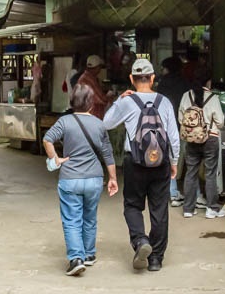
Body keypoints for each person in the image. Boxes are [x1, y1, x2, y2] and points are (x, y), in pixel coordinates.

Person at [103, 59, 180, 273]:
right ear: (153, 78)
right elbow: (174, 137)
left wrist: (119, 99)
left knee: (133, 205)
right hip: (161, 162)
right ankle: (155, 258)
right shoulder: (164, 102)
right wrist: (174, 162)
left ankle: (140, 240)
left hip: (134, 162)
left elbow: (106, 123)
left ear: (131, 79)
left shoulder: (127, 102)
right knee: (159, 209)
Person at [43, 84, 119, 276]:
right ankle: (89, 254)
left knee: (71, 220)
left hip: (71, 178)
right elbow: (108, 154)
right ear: (91, 104)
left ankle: (76, 258)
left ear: (71, 102)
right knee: (90, 217)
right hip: (94, 179)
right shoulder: (99, 124)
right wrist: (113, 178)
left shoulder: (64, 121)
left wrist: (56, 160)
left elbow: (47, 139)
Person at [178, 82, 225, 219]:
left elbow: (181, 118)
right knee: (210, 173)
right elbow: (221, 122)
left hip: (191, 139)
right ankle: (212, 208)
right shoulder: (213, 97)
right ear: (208, 82)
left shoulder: (186, 96)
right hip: (210, 139)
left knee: (190, 173)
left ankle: (188, 209)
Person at [156, 56, 193, 206]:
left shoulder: (163, 83)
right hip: (182, 124)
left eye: (163, 67)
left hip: (166, 124)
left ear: (167, 68)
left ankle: (172, 192)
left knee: (169, 158)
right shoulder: (185, 82)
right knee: (186, 160)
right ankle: (192, 194)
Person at [76, 55, 110, 119]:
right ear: (96, 67)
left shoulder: (86, 77)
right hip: (91, 116)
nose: (100, 69)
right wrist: (109, 95)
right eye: (100, 67)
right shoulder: (89, 80)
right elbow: (101, 99)